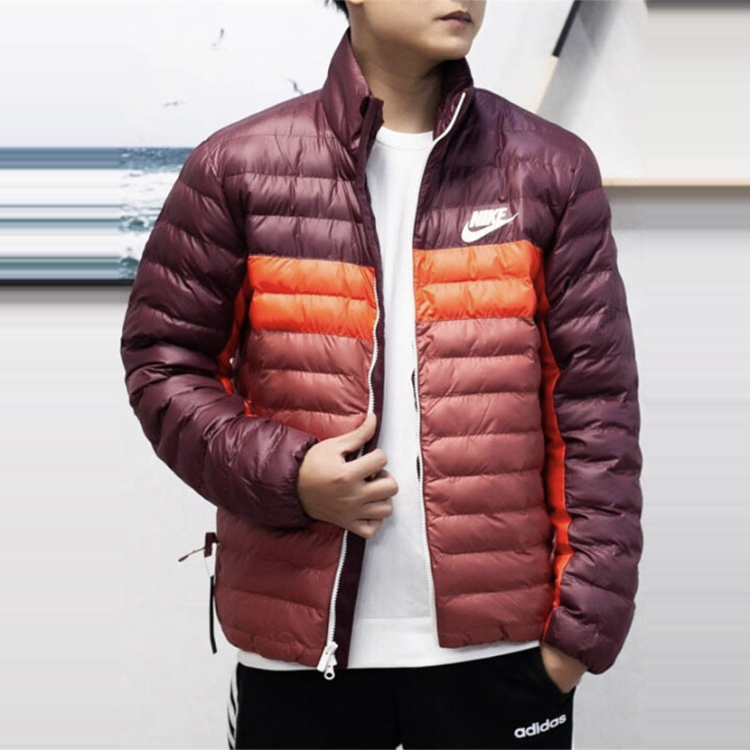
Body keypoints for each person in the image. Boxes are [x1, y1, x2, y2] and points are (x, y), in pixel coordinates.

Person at [120, 1, 643, 748]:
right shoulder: (239, 166)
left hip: (503, 655)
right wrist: (290, 475)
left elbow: (596, 407)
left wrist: (581, 631)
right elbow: (163, 364)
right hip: (299, 657)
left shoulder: (551, 170)